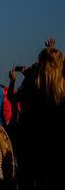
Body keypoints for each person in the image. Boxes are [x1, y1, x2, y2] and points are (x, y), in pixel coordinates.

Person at [8, 38, 65, 190]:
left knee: (30, 177)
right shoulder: (62, 86)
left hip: (31, 137)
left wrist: (13, 81)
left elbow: (13, 98)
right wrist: (52, 51)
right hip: (56, 139)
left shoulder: (32, 82)